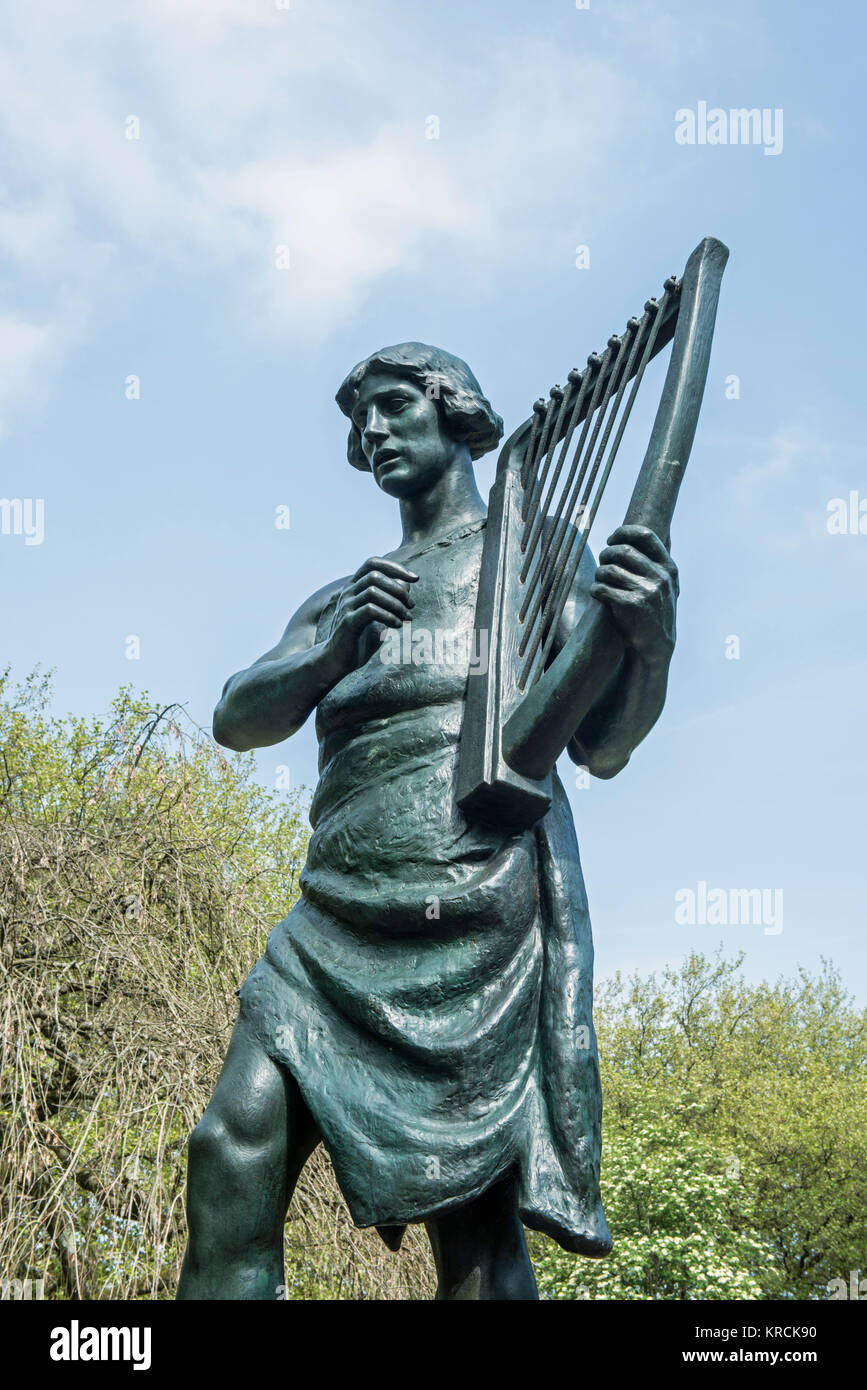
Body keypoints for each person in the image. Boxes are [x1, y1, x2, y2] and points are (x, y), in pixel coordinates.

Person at [177, 343, 679, 1301]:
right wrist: (330, 652)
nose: (372, 432)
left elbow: (601, 744)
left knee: (477, 1232)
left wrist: (649, 648)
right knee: (228, 1144)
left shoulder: (535, 552)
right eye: (358, 421)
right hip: (332, 919)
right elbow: (238, 717)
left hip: (477, 909)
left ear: (455, 412)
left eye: (394, 405)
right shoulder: (344, 595)